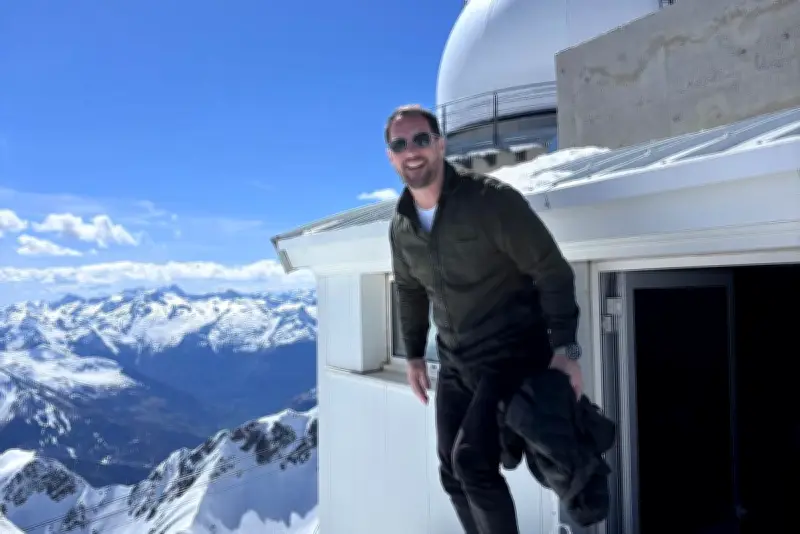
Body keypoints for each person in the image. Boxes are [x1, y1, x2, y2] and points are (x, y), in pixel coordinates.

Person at [386, 104, 583, 534]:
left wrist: (566, 348)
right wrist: (416, 356)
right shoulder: (401, 226)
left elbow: (551, 271)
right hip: (455, 361)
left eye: (421, 139)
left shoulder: (490, 202)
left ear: (440, 144)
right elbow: (410, 289)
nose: (411, 151)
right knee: (450, 472)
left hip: (509, 353)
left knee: (472, 463)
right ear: (391, 156)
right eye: (400, 144)